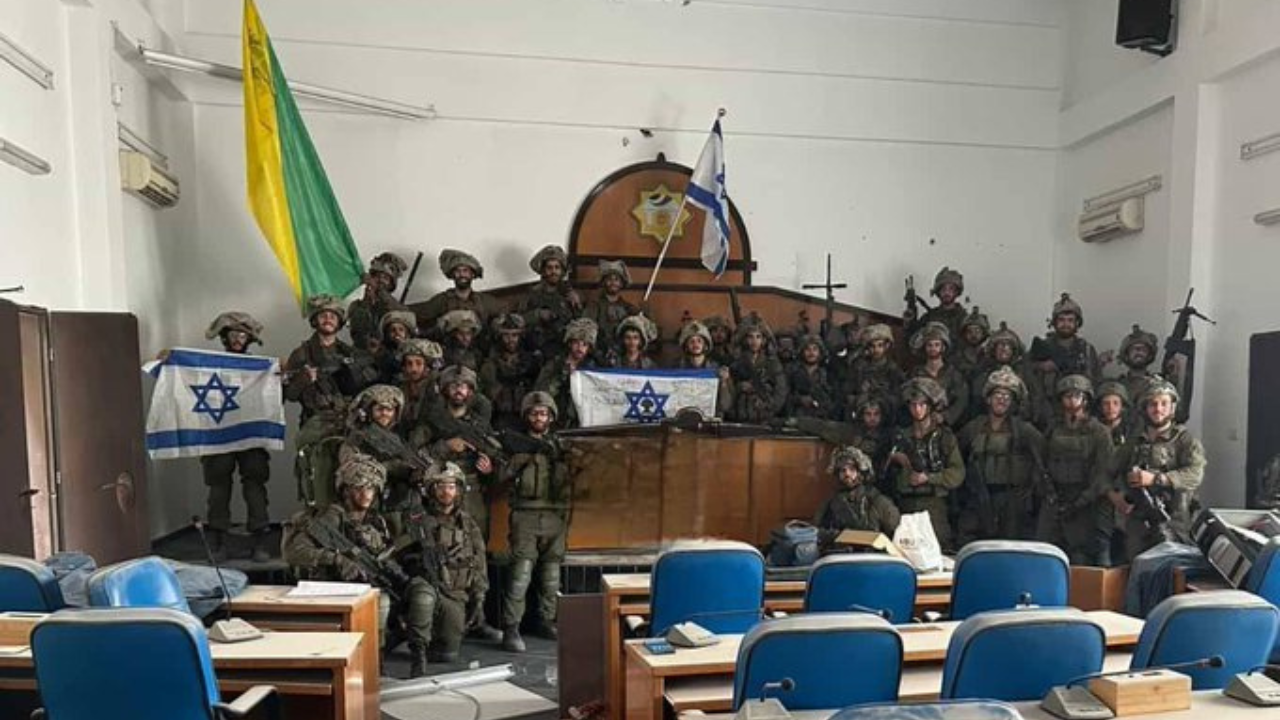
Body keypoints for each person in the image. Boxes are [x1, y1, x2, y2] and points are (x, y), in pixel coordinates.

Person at [282, 454, 430, 672]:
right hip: (336, 586)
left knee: (422, 591)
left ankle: (419, 654)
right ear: (345, 490)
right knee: (381, 603)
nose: (366, 494)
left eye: (371, 488)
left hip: (376, 580)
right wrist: (337, 559)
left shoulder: (376, 520)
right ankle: (374, 663)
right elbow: (294, 552)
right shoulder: (331, 518)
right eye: (359, 487)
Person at [394, 460, 500, 668]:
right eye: (440, 486)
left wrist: (479, 596)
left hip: (455, 592)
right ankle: (416, 650)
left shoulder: (468, 524)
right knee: (423, 596)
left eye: (451, 486)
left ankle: (410, 637)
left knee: (447, 654)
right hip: (423, 587)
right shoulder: (417, 519)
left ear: (459, 490)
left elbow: (479, 562)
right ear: (431, 490)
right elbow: (397, 555)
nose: (446, 492)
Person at [500, 391, 572, 653]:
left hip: (556, 515)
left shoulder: (562, 446)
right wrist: (517, 461)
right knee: (521, 574)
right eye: (534, 413)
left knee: (552, 576)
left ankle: (546, 619)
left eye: (543, 413)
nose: (539, 417)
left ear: (551, 417)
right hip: (525, 515)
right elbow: (500, 478)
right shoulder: (517, 446)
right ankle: (511, 627)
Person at [200, 311, 272, 561]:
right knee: (219, 487)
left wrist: (278, 375)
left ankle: (260, 539)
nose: (238, 338)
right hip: (219, 433)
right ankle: (218, 540)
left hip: (250, 433)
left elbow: (274, 397)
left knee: (255, 485)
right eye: (233, 333)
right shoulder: (209, 367)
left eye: (243, 334)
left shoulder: (260, 369)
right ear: (224, 337)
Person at [1110, 379, 1206, 562]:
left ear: (1172, 407)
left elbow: (1195, 474)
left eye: (1164, 403)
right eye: (1153, 404)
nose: (1158, 409)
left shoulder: (1184, 440)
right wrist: (1115, 497)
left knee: (1171, 573)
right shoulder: (1134, 442)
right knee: (1136, 571)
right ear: (1144, 408)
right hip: (1138, 524)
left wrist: (1157, 479)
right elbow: (1106, 472)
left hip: (1174, 521)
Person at [955, 366, 1045, 544]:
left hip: (1013, 502)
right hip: (978, 498)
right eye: (997, 395)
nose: (1002, 400)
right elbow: (956, 455)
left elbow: (1043, 458)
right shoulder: (974, 427)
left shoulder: (1023, 430)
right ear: (988, 399)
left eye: (1007, 396)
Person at [1037, 375, 1114, 566]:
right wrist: (1047, 491)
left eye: (1077, 395)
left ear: (1085, 399)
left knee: (1080, 555)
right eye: (1067, 396)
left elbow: (1103, 472)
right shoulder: (1053, 428)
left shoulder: (1099, 431)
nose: (1072, 400)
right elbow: (1042, 461)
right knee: (1044, 550)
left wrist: (1082, 500)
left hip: (1085, 501)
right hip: (1054, 497)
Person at [421, 365, 499, 541]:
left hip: (472, 491)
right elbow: (415, 455)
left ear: (470, 391)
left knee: (476, 541)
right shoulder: (432, 421)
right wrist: (445, 446)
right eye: (453, 386)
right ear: (445, 390)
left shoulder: (480, 425)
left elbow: (494, 458)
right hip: (439, 490)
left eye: (463, 386)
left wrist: (488, 469)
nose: (458, 390)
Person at [887, 378, 965, 551]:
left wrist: (928, 478)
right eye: (913, 405)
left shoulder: (944, 437)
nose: (917, 409)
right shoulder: (901, 436)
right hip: (905, 504)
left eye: (922, 404)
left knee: (939, 550)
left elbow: (957, 474)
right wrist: (896, 460)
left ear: (930, 406)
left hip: (934, 504)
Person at [284, 294, 377, 427]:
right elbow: (290, 395)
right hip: (315, 422)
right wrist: (303, 380)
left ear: (339, 322)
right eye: (323, 316)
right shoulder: (302, 354)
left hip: (346, 421)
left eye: (333, 317)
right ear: (315, 320)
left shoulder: (350, 353)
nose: (328, 320)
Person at [339, 384, 419, 509]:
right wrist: (390, 467)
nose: (385, 414)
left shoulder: (398, 436)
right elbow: (353, 472)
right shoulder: (357, 437)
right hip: (365, 497)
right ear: (370, 410)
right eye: (379, 409)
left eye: (390, 410)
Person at [1028, 293, 1103, 428]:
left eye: (1070, 320)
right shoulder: (1042, 348)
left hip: (1081, 413)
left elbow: (1096, 381)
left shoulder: (1086, 350)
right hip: (1048, 414)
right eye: (1061, 320)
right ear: (1054, 323)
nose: (1066, 324)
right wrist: (1040, 366)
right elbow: (1029, 380)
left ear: (1077, 323)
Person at [813, 446, 901, 551]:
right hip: (841, 558)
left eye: (852, 469)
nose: (847, 474)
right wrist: (838, 536)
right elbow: (816, 533)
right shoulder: (830, 504)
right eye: (842, 470)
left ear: (861, 472)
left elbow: (897, 534)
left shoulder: (878, 502)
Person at [479, 313, 543, 431]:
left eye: (515, 335)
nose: (511, 340)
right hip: (503, 416)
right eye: (506, 335)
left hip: (529, 415)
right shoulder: (491, 364)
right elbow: (491, 393)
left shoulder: (531, 361)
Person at [416, 249, 500, 337]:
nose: (461, 275)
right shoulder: (442, 300)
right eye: (458, 271)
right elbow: (419, 317)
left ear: (472, 274)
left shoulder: (484, 301)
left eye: (465, 271)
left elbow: (503, 316)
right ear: (453, 275)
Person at [534, 317, 599, 429]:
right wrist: (562, 376)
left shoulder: (592, 368)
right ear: (569, 343)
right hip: (556, 417)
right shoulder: (555, 364)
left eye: (584, 344)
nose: (580, 348)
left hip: (581, 420)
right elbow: (541, 393)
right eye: (576, 343)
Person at [519, 245, 582, 357]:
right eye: (549, 268)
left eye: (557, 267)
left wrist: (577, 304)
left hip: (564, 347)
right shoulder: (532, 294)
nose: (553, 272)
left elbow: (580, 321)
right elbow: (519, 320)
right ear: (543, 271)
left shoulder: (569, 293)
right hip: (538, 348)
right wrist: (538, 314)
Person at [727, 316, 788, 423]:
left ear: (764, 340)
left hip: (765, 416)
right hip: (740, 416)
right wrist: (739, 388)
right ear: (745, 339)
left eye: (758, 337)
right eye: (750, 337)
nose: (754, 341)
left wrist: (770, 410)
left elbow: (781, 391)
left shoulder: (773, 364)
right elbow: (728, 394)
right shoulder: (736, 364)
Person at [908, 322, 969, 427]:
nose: (933, 348)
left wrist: (945, 416)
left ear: (943, 347)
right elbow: (907, 397)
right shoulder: (916, 373)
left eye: (937, 345)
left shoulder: (954, 374)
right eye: (929, 345)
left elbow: (961, 400)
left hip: (945, 426)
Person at [840, 323, 904, 421]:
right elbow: (847, 393)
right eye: (872, 346)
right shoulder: (858, 367)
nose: (876, 350)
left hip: (885, 419)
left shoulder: (893, 370)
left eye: (880, 345)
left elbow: (898, 399)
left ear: (886, 346)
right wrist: (861, 397)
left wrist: (882, 395)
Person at [348, 252, 410, 352]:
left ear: (391, 284)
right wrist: (366, 302)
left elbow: (400, 314)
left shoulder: (398, 308)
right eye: (377, 276)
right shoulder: (356, 306)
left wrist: (379, 290)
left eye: (385, 278)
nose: (380, 280)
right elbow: (358, 330)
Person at [677, 320, 733, 417]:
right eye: (692, 341)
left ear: (705, 345)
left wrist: (724, 382)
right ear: (686, 346)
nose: (696, 345)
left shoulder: (717, 369)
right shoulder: (677, 368)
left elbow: (726, 406)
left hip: (711, 420)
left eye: (699, 341)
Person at [584, 260, 641, 355]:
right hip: (598, 353)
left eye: (616, 279)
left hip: (623, 354)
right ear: (603, 282)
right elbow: (586, 331)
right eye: (609, 279)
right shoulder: (593, 306)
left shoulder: (629, 308)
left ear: (622, 283)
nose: (613, 282)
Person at [396, 338, 445, 439]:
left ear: (427, 367)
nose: (413, 369)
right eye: (409, 364)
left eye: (418, 363)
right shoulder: (399, 388)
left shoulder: (438, 389)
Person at [785, 334, 838, 419]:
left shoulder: (827, 374)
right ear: (802, 351)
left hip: (822, 418)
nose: (811, 353)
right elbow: (785, 395)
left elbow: (834, 398)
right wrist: (799, 400)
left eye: (815, 349)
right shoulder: (792, 372)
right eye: (807, 349)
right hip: (797, 416)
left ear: (820, 352)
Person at [910, 266, 967, 342]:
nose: (947, 292)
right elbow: (913, 340)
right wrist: (910, 319)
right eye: (943, 289)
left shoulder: (964, 319)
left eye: (951, 289)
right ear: (938, 292)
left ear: (957, 292)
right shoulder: (928, 317)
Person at [1115, 325, 1161, 403]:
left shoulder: (1159, 385)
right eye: (1133, 349)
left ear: (1149, 355)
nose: (1138, 352)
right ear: (1126, 355)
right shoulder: (1117, 386)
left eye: (1143, 349)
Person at [375, 310, 418, 383]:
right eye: (392, 330)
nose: (397, 333)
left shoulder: (417, 348)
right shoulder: (384, 353)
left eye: (401, 330)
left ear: (407, 334)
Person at [953, 307, 990, 384]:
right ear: (964, 334)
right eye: (969, 331)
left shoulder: (990, 356)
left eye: (977, 331)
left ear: (983, 334)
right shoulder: (956, 357)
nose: (973, 335)